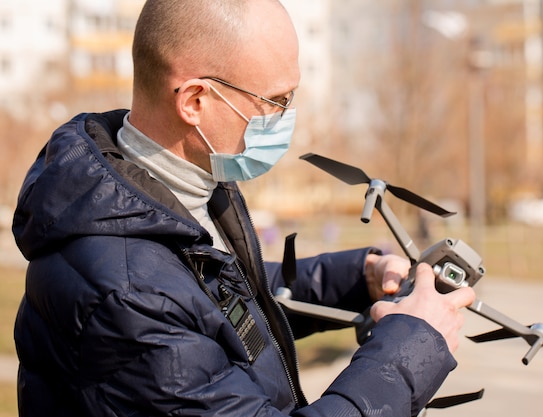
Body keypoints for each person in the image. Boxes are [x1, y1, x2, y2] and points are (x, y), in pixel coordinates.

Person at [11, 0, 475, 416]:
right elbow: (175, 308)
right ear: (194, 100)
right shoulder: (125, 292)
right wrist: (410, 348)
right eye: (276, 100)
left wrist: (358, 276)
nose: (286, 117)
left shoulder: (175, 192)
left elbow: (224, 303)